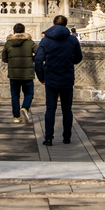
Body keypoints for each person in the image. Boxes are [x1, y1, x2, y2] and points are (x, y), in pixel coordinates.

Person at [34, 14, 83, 146]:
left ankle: (48, 138)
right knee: (67, 109)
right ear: (66, 25)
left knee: (50, 109)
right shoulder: (72, 40)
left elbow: (38, 60)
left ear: (53, 24)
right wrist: (68, 61)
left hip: (50, 78)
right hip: (67, 77)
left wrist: (41, 77)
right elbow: (78, 58)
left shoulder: (45, 40)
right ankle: (66, 137)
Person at [1, 23, 37, 124]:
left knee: (15, 95)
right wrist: (31, 59)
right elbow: (39, 52)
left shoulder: (8, 43)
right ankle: (25, 108)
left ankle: (16, 117)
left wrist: (11, 61)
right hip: (27, 74)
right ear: (24, 31)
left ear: (14, 31)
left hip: (14, 74)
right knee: (29, 93)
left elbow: (4, 58)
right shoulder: (30, 42)